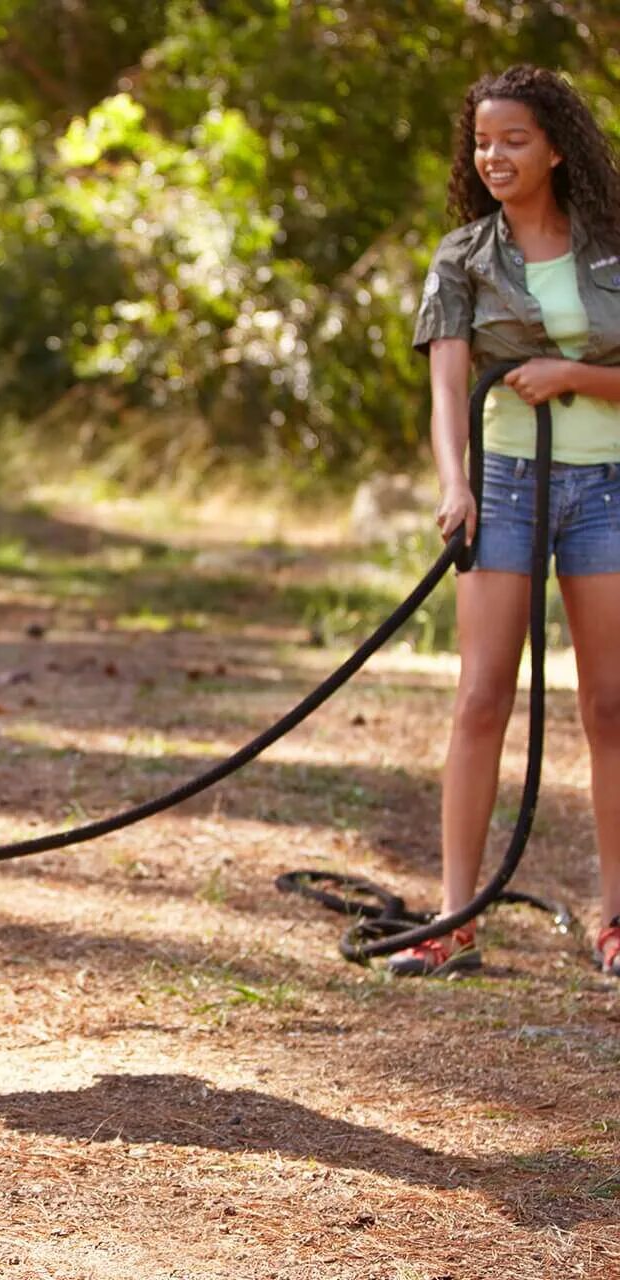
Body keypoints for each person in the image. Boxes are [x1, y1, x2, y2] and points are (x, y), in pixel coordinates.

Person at [406, 66, 620, 978]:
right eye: (484, 141)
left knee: (611, 706)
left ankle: (617, 919)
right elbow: (449, 387)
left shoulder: (611, 248)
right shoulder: (462, 256)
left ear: (558, 147)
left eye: (516, 140)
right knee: (481, 697)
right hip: (503, 486)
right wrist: (455, 486)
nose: (495, 156)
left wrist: (572, 377)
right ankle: (457, 914)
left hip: (605, 487)